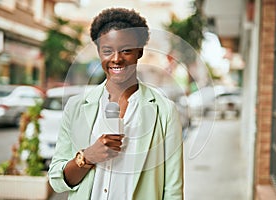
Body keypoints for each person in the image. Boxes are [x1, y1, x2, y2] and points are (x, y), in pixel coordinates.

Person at [48, 7, 184, 200]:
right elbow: (57, 180)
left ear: (140, 52)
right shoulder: (76, 107)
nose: (116, 59)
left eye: (126, 50)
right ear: (99, 52)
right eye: (107, 51)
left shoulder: (164, 111)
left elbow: (173, 189)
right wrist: (87, 157)